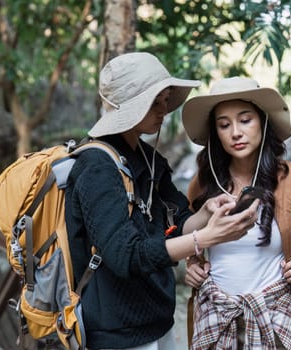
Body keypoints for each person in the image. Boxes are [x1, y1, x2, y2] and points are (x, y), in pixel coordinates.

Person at [64, 53, 258, 350]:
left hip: (159, 319)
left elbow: (179, 222)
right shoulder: (96, 167)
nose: (164, 110)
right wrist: (205, 238)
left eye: (165, 100)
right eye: (155, 102)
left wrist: (207, 213)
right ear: (131, 106)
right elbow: (124, 256)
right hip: (116, 332)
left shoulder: (150, 158)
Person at [182, 77, 291, 349]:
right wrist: (192, 264)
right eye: (224, 125)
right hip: (218, 315)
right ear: (215, 133)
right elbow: (187, 231)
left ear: (263, 122)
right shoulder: (205, 183)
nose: (235, 133)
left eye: (245, 120)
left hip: (275, 315)